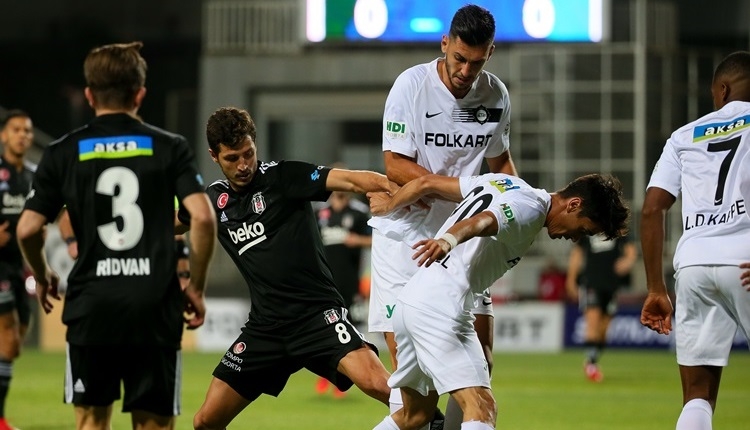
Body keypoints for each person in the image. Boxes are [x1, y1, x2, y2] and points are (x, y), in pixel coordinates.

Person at [15, 41, 217, 430]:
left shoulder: (62, 152)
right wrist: (196, 286)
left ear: (89, 95)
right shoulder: (170, 147)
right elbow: (203, 219)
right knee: (154, 424)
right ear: (140, 94)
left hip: (92, 308)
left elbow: (27, 228)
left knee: (92, 421)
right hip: (154, 307)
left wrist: (42, 276)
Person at [180, 106, 395, 430]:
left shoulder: (284, 177)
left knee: (381, 387)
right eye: (232, 158)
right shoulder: (212, 201)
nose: (243, 165)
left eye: (248, 154)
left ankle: (436, 422)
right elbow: (166, 224)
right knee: (205, 421)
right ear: (214, 155)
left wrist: (401, 190)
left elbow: (351, 179)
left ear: (255, 145)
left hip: (317, 317)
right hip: (266, 329)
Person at [367, 172, 630, 430]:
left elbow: (426, 182)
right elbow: (483, 221)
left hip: (413, 301)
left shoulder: (503, 182)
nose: (575, 238)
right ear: (574, 205)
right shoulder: (530, 209)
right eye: (582, 229)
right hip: (439, 308)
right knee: (481, 407)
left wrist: (389, 206)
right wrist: (448, 240)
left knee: (414, 416)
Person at [367, 5, 517, 428]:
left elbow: (501, 164)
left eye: (477, 61)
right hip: (406, 242)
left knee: (479, 369)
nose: (466, 71)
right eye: (459, 59)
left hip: (463, 239)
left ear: (490, 53)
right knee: (414, 392)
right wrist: (450, 189)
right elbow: (395, 163)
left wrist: (514, 207)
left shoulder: (495, 96)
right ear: (445, 44)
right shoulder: (410, 86)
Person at [640, 50, 750, 430]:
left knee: (697, 395)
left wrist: (656, 287)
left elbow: (652, 209)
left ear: (722, 89)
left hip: (694, 265)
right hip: (746, 258)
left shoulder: (684, 136)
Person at [314, 188, 373, 397]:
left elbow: (376, 240)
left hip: (349, 282)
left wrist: (358, 240)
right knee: (324, 329)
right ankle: (325, 375)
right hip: (323, 282)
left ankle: (344, 380)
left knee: (346, 331)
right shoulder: (321, 212)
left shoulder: (358, 212)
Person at [0, 109, 35, 430]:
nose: (22, 135)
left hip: (19, 266)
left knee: (17, 337)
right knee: (8, 337)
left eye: (26, 130)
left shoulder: (34, 176)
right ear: (3, 135)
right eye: (16, 129)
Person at [565, 233, 636, 382]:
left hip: (611, 284)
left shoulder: (617, 226)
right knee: (593, 321)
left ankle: (592, 359)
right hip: (590, 282)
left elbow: (630, 249)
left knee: (603, 330)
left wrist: (628, 261)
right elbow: (577, 253)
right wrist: (571, 278)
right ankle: (591, 365)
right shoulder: (588, 228)